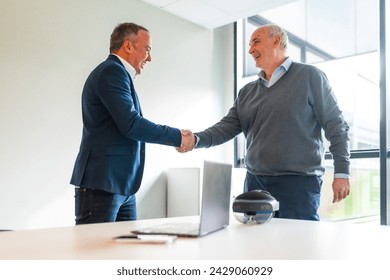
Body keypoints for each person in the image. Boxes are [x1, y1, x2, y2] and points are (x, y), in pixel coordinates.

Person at [179, 24, 350, 221]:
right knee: (255, 247)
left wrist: (342, 172)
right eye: (250, 45)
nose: (250, 49)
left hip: (298, 184)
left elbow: (336, 125)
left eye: (256, 42)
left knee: (298, 247)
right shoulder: (247, 91)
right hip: (255, 183)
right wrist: (196, 140)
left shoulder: (310, 77)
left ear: (276, 40)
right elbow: (226, 127)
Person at [70, 22, 194, 225]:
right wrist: (177, 137)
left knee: (125, 254)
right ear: (128, 46)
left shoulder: (119, 75)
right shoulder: (111, 72)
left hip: (121, 186)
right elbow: (132, 124)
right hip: (103, 185)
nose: (150, 57)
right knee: (96, 255)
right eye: (148, 49)